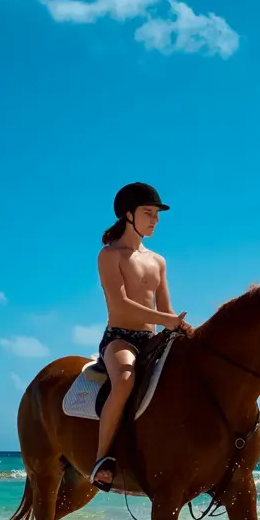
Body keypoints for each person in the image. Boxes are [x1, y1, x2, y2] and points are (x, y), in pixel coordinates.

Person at [90, 183, 191, 491]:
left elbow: (166, 309)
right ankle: (101, 460)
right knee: (124, 379)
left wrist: (179, 329)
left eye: (157, 215)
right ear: (128, 215)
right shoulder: (110, 255)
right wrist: (168, 320)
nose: (155, 220)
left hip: (152, 338)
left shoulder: (158, 261)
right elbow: (120, 304)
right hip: (120, 338)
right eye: (148, 213)